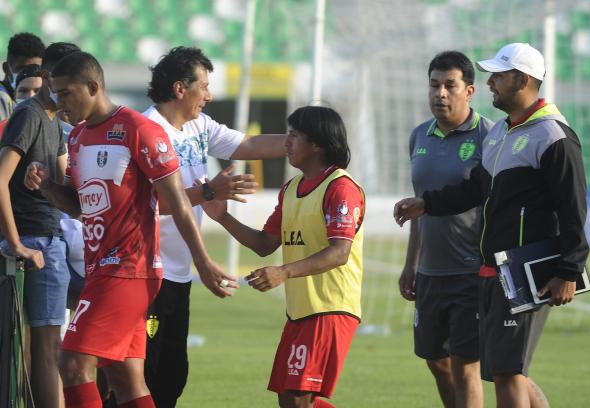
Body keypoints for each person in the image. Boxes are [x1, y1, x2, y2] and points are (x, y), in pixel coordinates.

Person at [24, 51, 238, 408]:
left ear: (93, 87)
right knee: (126, 380)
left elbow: (178, 203)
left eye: (65, 93)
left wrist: (202, 261)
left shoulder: (139, 130)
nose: (59, 103)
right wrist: (47, 187)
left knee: (73, 364)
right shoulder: (77, 138)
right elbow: (82, 207)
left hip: (129, 270)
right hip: (101, 270)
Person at [394, 43, 589, 408]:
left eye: (498, 76)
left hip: (529, 268)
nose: (491, 83)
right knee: (501, 368)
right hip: (495, 269)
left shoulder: (554, 135)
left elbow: (573, 209)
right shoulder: (502, 132)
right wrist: (427, 203)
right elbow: (475, 188)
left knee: (509, 370)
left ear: (523, 79)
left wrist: (569, 270)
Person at [142, 46, 286, 408]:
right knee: (140, 376)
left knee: (172, 376)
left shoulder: (198, 126)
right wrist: (208, 191)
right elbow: (145, 204)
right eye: (203, 86)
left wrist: (306, 142)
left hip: (178, 273)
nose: (209, 95)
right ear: (179, 89)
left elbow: (248, 144)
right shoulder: (144, 131)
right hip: (145, 273)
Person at [204, 106, 365, 408]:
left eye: (294, 136)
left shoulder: (340, 187)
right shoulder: (291, 189)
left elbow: (339, 252)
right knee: (290, 398)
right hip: (301, 310)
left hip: (330, 307)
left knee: (297, 398)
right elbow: (265, 244)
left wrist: (283, 272)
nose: (286, 143)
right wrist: (223, 217)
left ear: (317, 144)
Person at [399, 51, 492, 408]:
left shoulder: (490, 136)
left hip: (471, 271)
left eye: (449, 86)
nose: (440, 93)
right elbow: (419, 205)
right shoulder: (418, 136)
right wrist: (411, 264)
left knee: (467, 365)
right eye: (434, 85)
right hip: (430, 272)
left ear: (469, 91)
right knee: (436, 360)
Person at [0, 42, 73, 408]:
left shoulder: (55, 122)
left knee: (45, 350)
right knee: (46, 349)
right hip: (35, 241)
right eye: (69, 84)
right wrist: (15, 243)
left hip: (50, 238)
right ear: (50, 78)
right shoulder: (29, 114)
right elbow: (0, 179)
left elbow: (65, 192)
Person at [0, 32, 45, 120]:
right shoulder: (2, 99)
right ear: (6, 69)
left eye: (35, 68)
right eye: (22, 69)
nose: (29, 74)